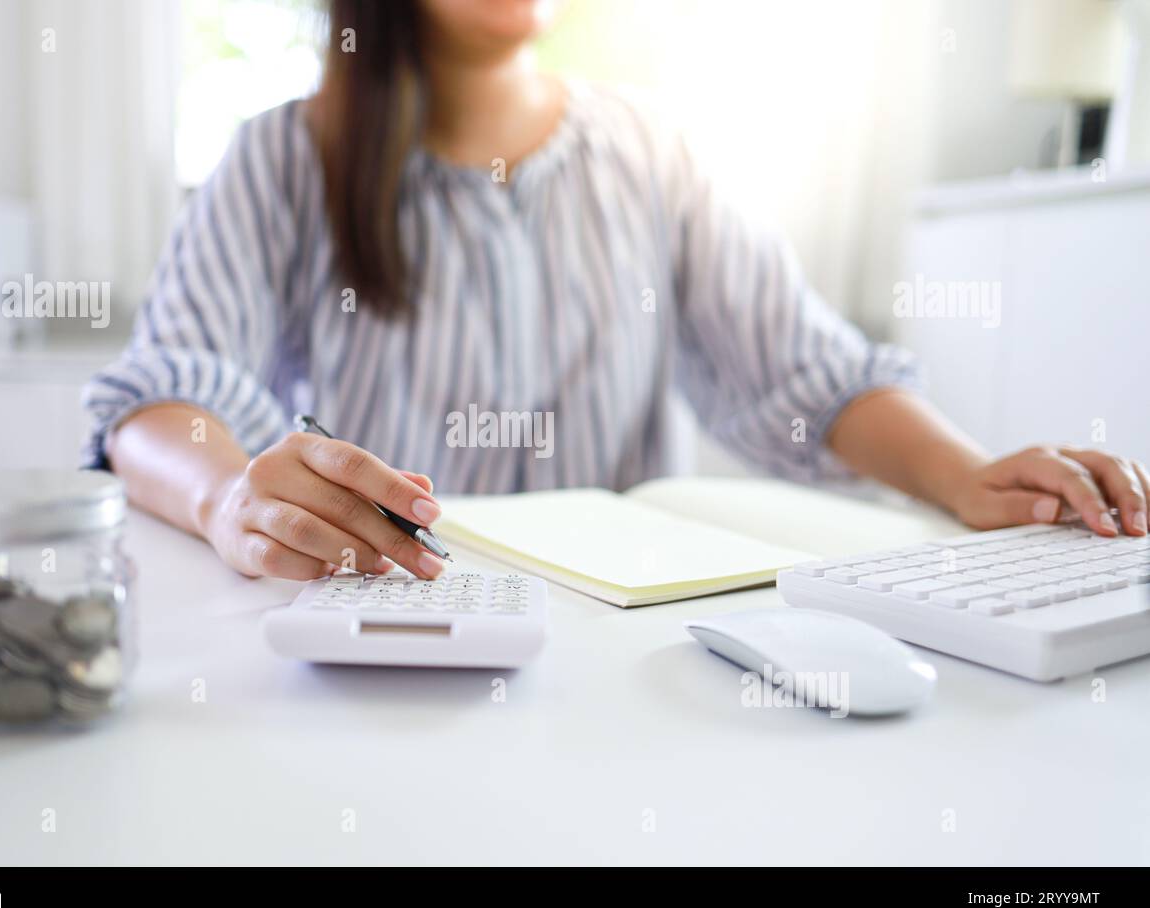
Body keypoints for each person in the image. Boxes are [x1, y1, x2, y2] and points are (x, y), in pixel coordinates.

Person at [85, 0, 1148, 582]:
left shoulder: (651, 149)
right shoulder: (281, 156)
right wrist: (231, 497)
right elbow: (162, 397)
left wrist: (967, 475)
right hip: (383, 621)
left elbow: (808, 372)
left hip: (622, 651)